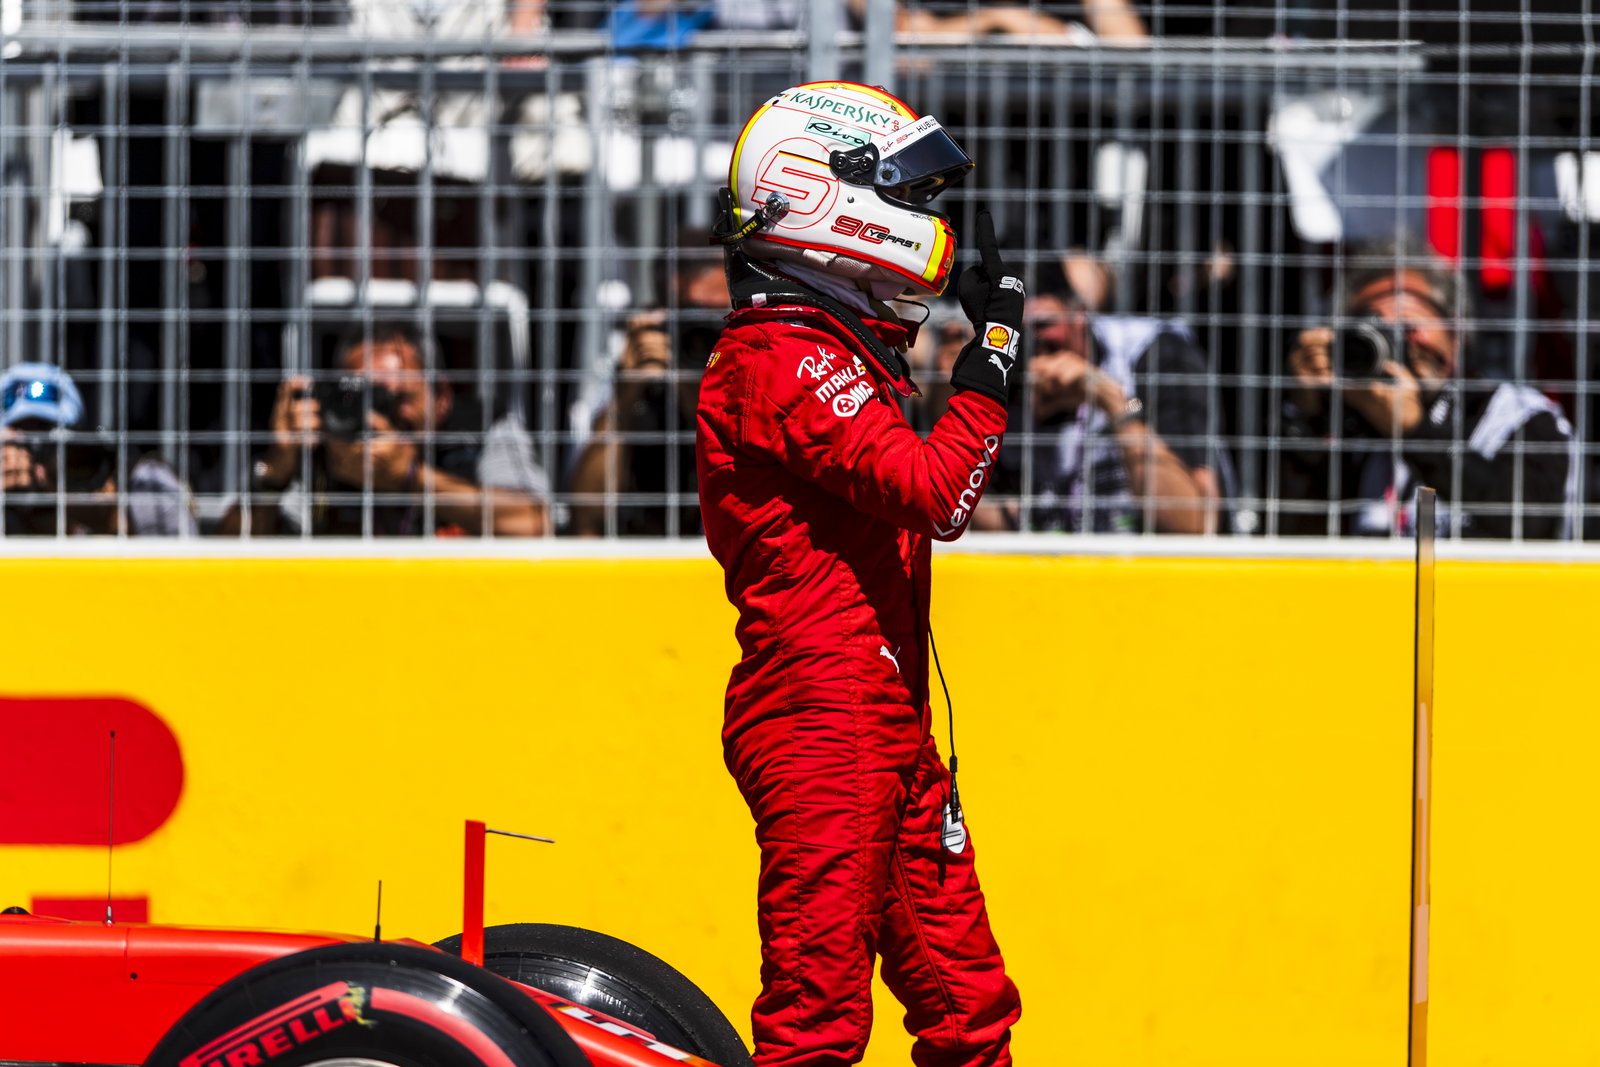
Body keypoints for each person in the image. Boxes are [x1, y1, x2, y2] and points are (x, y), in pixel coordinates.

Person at [697, 81, 1024, 1066]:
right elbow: (937, 491)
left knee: (969, 1006)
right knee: (817, 1024)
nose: (932, 220)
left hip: (882, 717)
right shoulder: (776, 355)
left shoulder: (826, 346)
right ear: (825, 195)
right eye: (910, 194)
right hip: (821, 716)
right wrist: (994, 352)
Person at [1279, 242, 1578, 539]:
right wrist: (1305, 419)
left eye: (1409, 328)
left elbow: (1529, 524)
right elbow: (1288, 536)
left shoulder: (1517, 416)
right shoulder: (1350, 423)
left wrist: (1416, 432)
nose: (1398, 346)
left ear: (1456, 333)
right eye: (1377, 331)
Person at [977, 253, 1228, 534]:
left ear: (1079, 315)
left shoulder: (1153, 351)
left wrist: (1114, 403)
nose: (1030, 346)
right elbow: (966, 521)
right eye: (1012, 334)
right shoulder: (990, 372)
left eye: (1043, 324)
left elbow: (1196, 524)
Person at [223, 323, 549, 537]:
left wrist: (410, 480)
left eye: (399, 398)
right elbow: (227, 556)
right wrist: (275, 468)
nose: (382, 417)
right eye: (364, 398)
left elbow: (534, 523)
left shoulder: (480, 426)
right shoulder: (323, 442)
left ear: (442, 397)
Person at [568, 249, 726, 537]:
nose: (704, 331)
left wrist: (698, 395)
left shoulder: (760, 366)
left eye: (718, 316)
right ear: (661, 313)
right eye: (690, 314)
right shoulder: (634, 367)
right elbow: (586, 517)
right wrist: (627, 392)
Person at [2, 362, 196, 537]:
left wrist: (107, 517)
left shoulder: (142, 484)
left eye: (48, 439)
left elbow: (183, 568)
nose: (36, 462)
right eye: (23, 443)